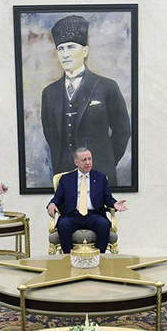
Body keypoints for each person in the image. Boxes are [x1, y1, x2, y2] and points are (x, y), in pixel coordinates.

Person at [40, 14, 132, 185]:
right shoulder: (49, 93)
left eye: (71, 47)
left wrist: (106, 161)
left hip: (100, 174)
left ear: (85, 51)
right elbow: (50, 134)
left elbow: (123, 131)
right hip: (64, 177)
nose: (65, 54)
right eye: (60, 49)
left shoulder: (107, 87)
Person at [46, 147, 128, 254]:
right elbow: (58, 197)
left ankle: (99, 257)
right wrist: (52, 204)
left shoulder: (100, 178)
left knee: (104, 225)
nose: (88, 163)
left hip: (93, 215)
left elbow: (107, 198)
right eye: (84, 160)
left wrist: (114, 204)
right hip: (72, 215)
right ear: (76, 162)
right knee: (63, 225)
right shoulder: (66, 179)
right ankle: (69, 258)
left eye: (90, 159)